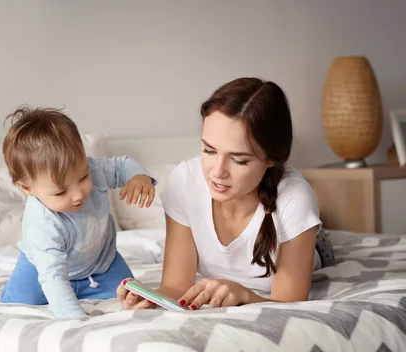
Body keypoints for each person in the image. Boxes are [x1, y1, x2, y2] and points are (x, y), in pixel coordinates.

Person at [117, 77, 335, 311]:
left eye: (239, 160)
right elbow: (176, 287)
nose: (218, 172)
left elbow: (289, 304)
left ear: (271, 158)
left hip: (311, 245)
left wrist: (243, 294)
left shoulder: (295, 199)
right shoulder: (184, 181)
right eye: (209, 150)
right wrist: (149, 297)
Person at [0, 107, 156, 318]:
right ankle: (12, 291)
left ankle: (88, 287)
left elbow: (122, 166)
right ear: (28, 189)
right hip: (39, 269)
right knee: (20, 301)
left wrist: (139, 177)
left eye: (83, 177)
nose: (78, 195)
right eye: (61, 191)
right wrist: (75, 318)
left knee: (132, 293)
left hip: (102, 263)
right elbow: (53, 275)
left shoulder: (95, 170)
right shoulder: (42, 223)